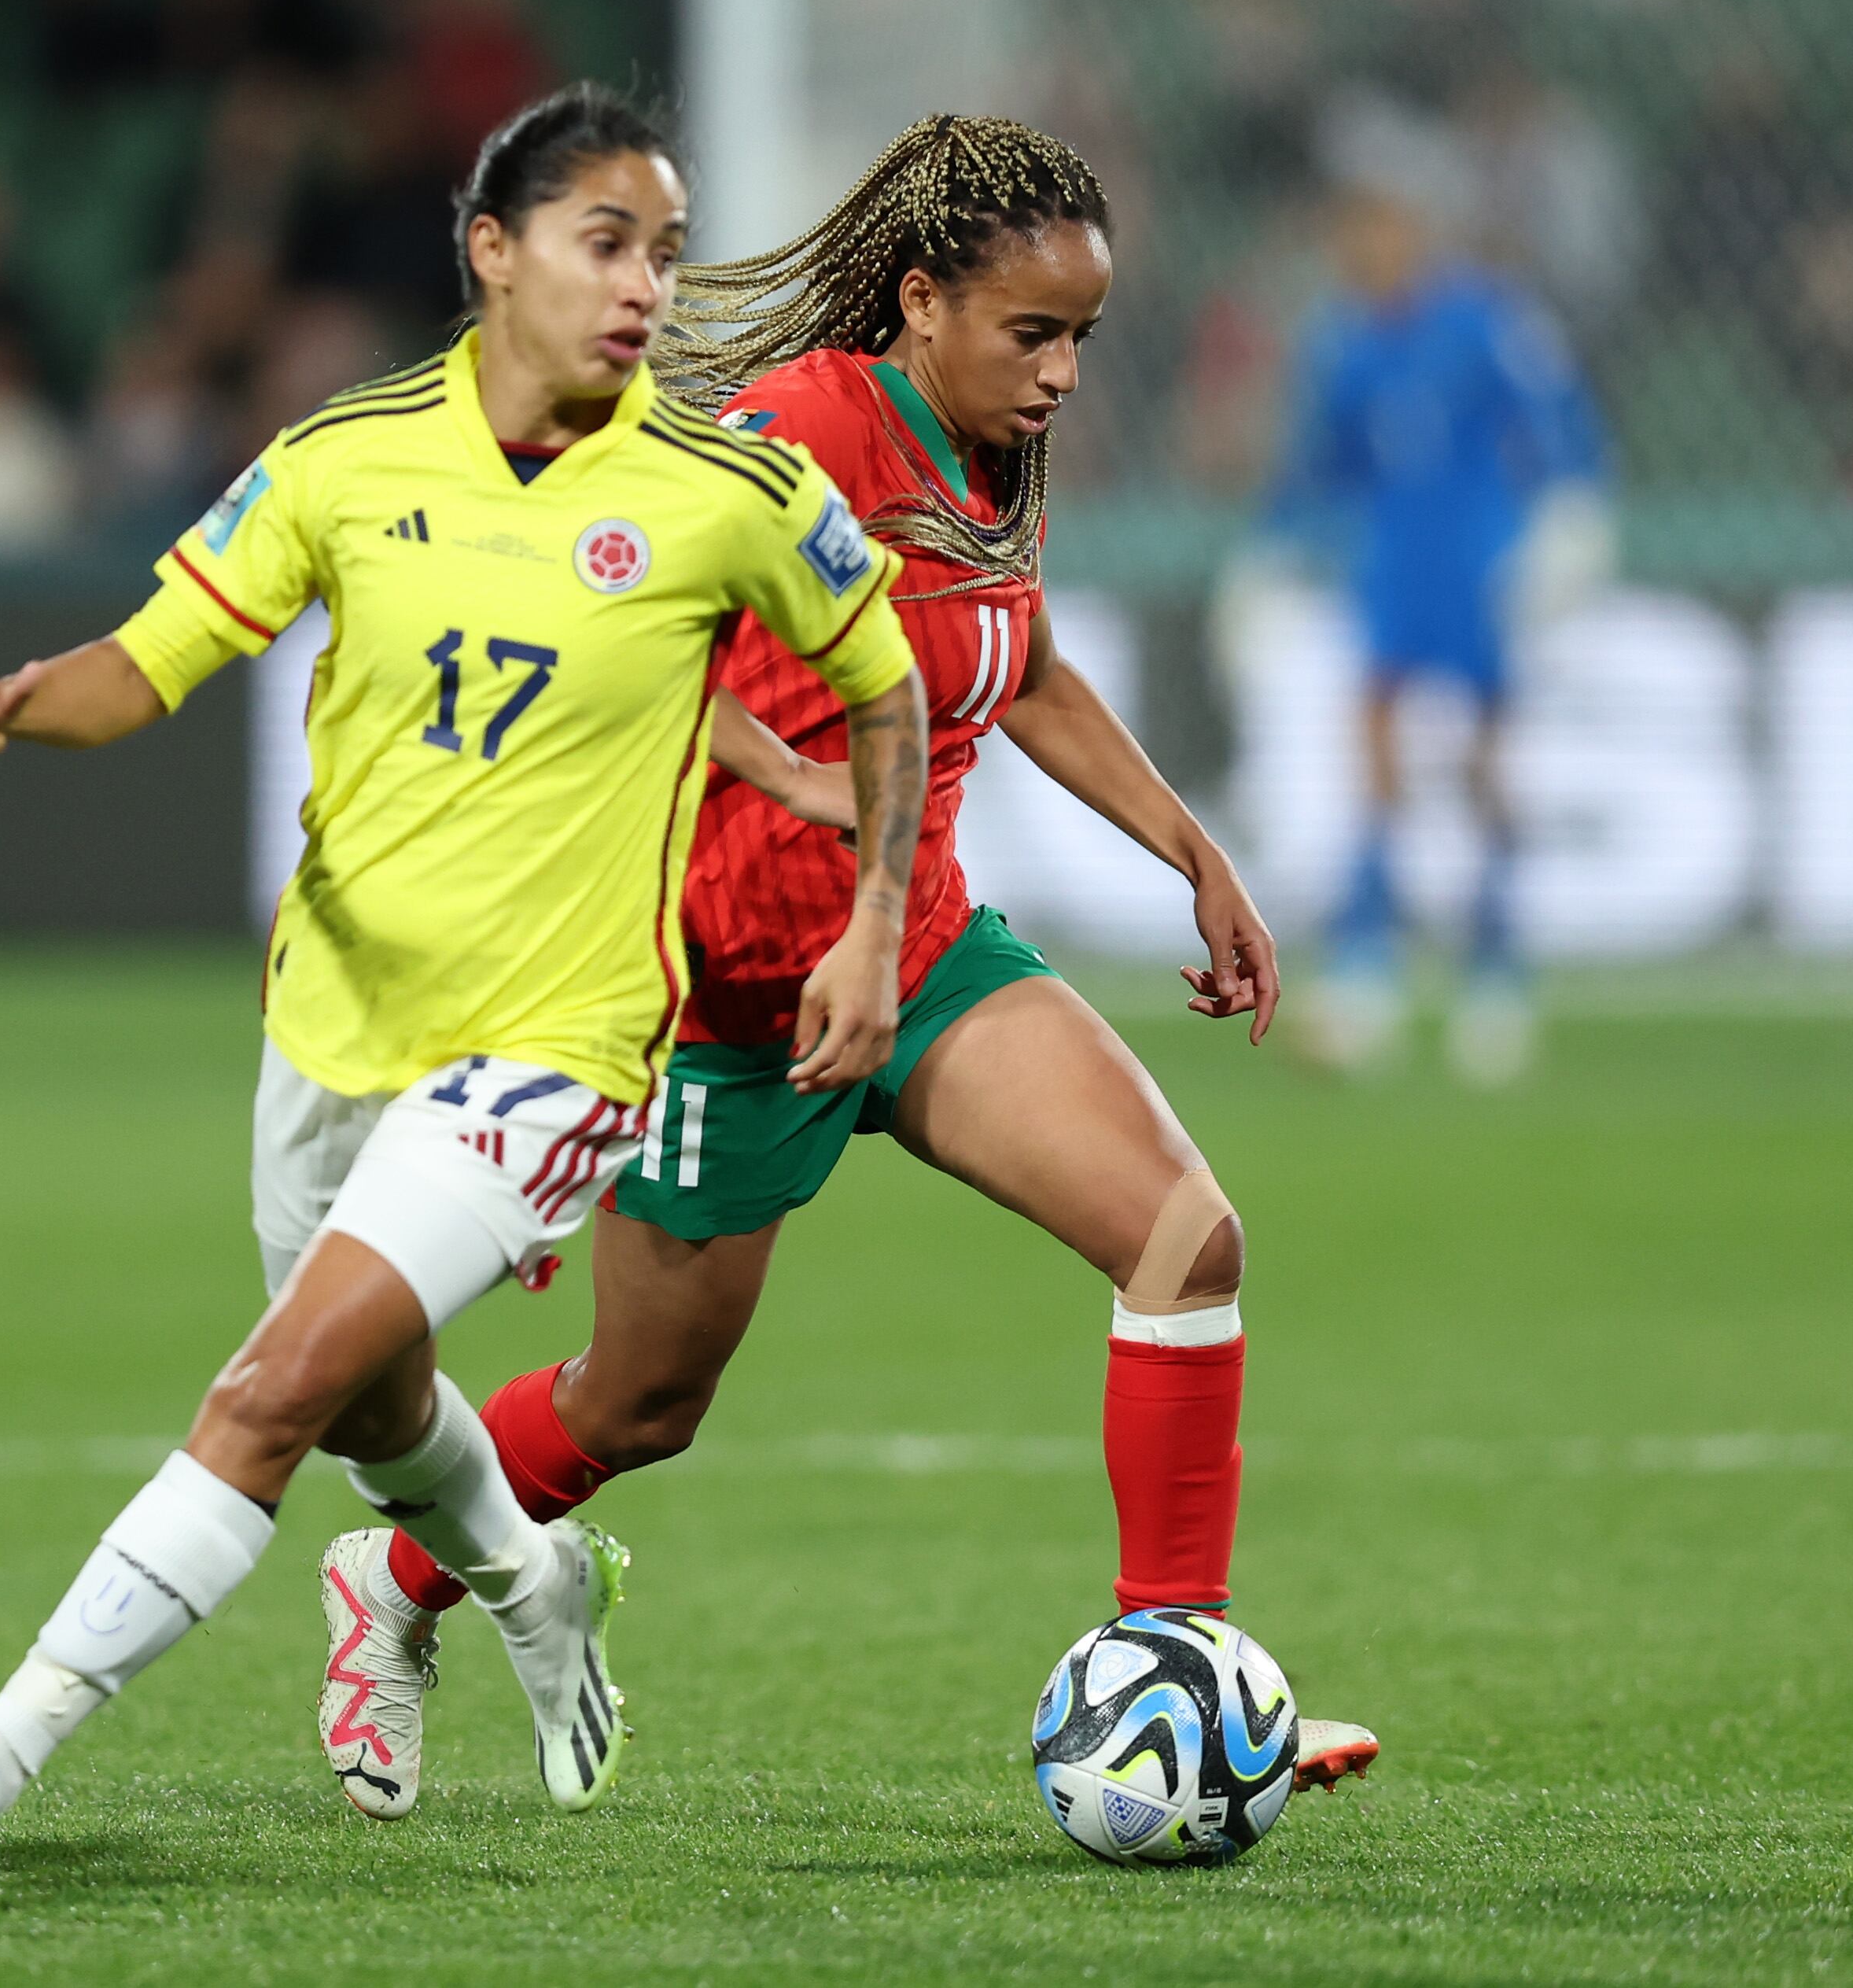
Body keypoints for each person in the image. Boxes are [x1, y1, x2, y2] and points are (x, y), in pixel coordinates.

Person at [0, 84, 930, 1889]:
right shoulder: (347, 457)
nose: (645, 288)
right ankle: (532, 1571)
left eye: (664, 252)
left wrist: (880, 909)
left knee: (270, 1391)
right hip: (334, 1022)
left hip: (559, 1048)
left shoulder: (730, 487)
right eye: (609, 243)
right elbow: (157, 657)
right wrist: (18, 698)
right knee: (368, 1400)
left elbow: (884, 681)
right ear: (492, 253)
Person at [308, 114, 1378, 1825]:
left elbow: (1011, 666)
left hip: (924, 955)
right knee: (635, 1406)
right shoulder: (788, 437)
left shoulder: (981, 463)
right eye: (1030, 334)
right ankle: (396, 1585)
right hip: (727, 1009)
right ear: (917, 301)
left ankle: (1174, 1673)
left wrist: (1188, 849)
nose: (1060, 375)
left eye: (1081, 338)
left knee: (1183, 1238)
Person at [1267, 148, 1609, 1084]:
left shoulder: (1486, 321)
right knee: (1372, 756)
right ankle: (1365, 971)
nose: (1359, 246)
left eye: (1375, 224)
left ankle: (1495, 967)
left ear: (1415, 228)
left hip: (1477, 564)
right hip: (1390, 565)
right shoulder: (1341, 340)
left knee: (1481, 763)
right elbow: (1314, 468)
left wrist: (1569, 518)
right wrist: (1269, 554)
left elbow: (1558, 428)